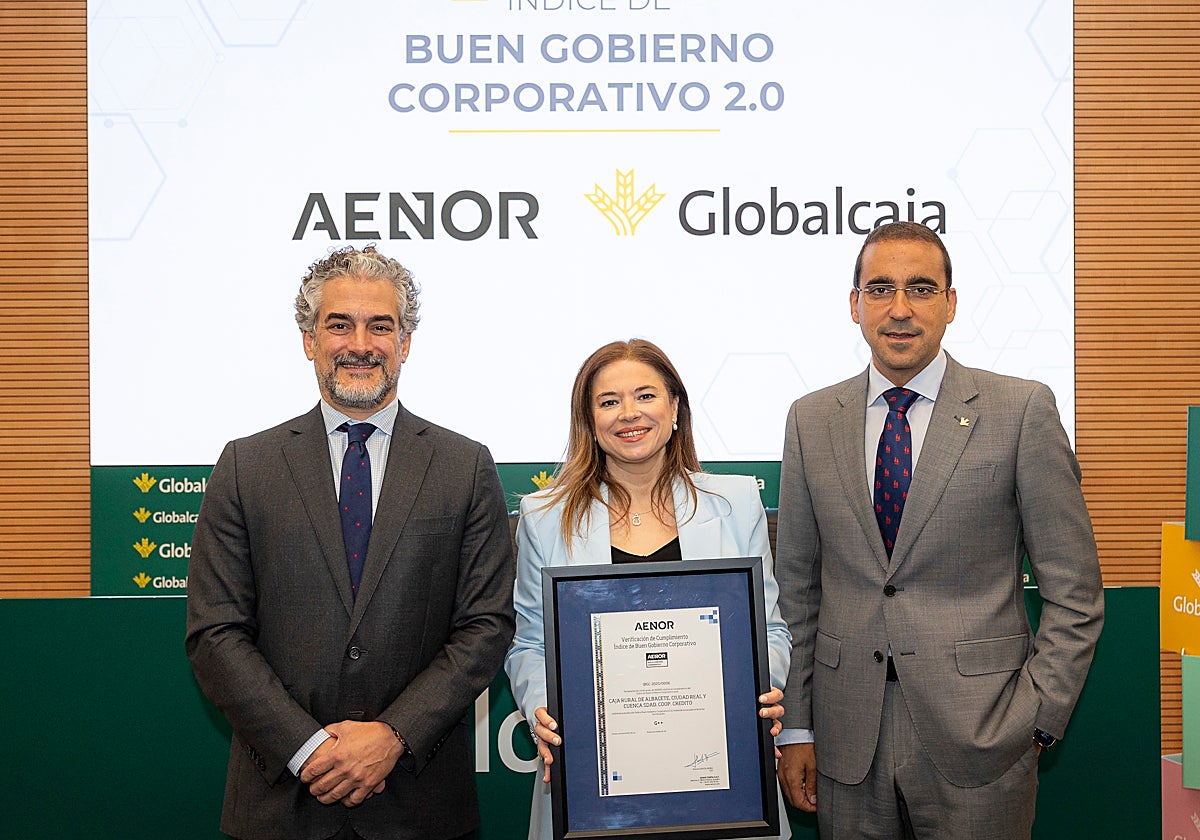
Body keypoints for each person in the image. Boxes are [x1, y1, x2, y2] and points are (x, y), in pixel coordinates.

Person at [773, 221, 1105, 839]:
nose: (900, 308)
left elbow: (1076, 595)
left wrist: (1036, 720)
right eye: (880, 289)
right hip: (846, 742)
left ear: (950, 303)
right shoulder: (810, 420)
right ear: (854, 304)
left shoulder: (1021, 410)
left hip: (983, 740)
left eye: (921, 288)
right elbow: (797, 592)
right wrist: (796, 726)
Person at [185, 245, 515, 840]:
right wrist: (307, 748)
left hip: (420, 807)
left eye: (380, 326)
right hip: (281, 807)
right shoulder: (245, 466)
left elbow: (485, 625)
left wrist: (393, 736)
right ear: (308, 340)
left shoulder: (465, 466)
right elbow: (216, 632)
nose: (360, 344)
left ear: (405, 343)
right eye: (339, 324)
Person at [503, 338, 793, 840]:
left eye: (645, 395)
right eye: (608, 401)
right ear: (589, 420)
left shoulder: (736, 503)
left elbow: (769, 630)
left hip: (720, 778)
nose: (628, 414)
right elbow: (529, 644)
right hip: (594, 785)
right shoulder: (544, 517)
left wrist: (754, 686)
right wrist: (543, 709)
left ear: (675, 406)